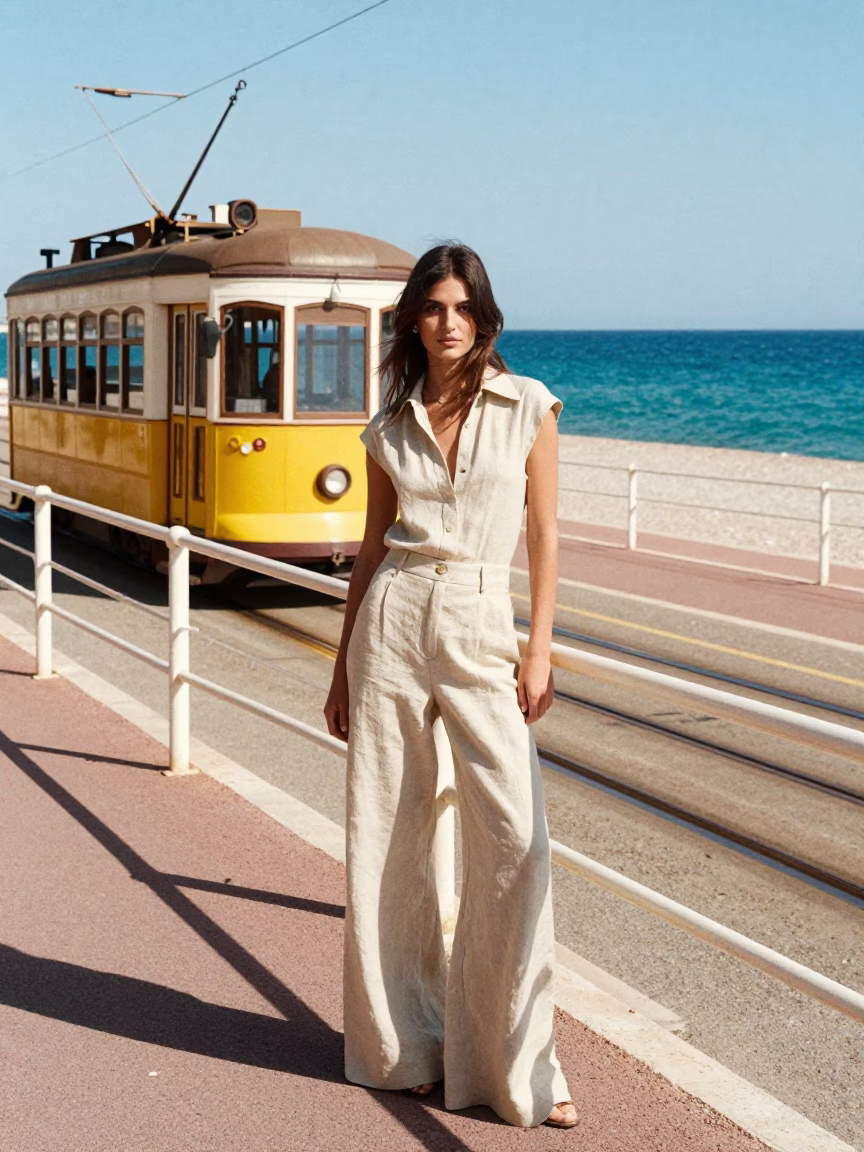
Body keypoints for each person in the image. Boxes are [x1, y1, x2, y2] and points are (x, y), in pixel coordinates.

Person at [324, 243, 577, 1130]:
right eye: (432, 308)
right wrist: (341, 661)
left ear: (485, 316)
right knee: (389, 845)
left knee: (515, 839)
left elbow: (544, 538)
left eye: (463, 307)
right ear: (413, 321)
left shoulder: (528, 407)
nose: (448, 322)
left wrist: (538, 649)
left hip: (477, 616)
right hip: (391, 620)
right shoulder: (389, 427)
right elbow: (369, 550)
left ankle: (520, 1064)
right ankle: (405, 1048)